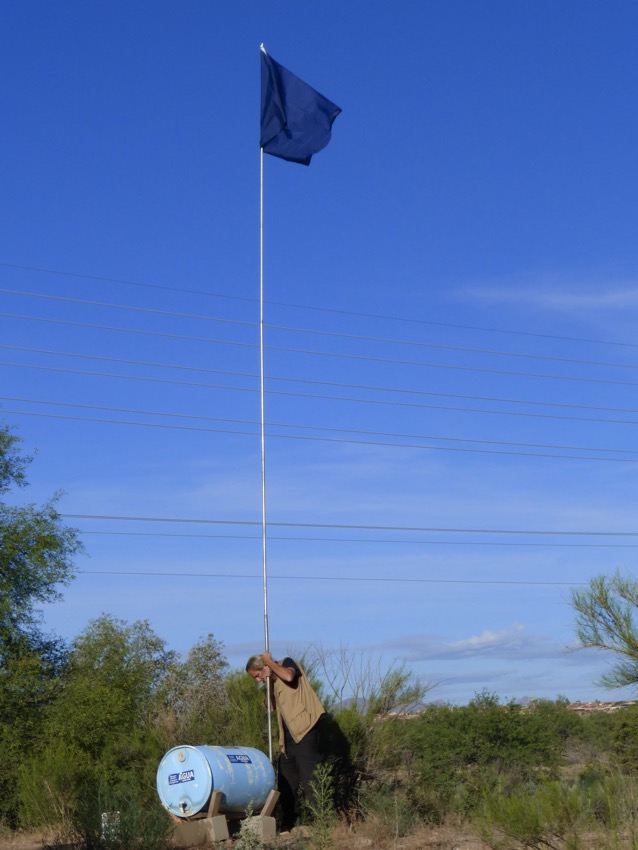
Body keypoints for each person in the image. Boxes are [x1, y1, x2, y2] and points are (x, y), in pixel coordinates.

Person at [246, 651, 325, 830]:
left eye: (257, 676)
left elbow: (289, 676)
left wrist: (269, 662)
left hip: (306, 729)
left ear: (263, 666)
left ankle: (321, 822)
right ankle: (289, 823)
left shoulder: (287, 662)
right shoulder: (271, 679)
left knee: (310, 778)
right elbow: (271, 707)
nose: (258, 680)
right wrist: (267, 682)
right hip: (288, 737)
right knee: (285, 780)